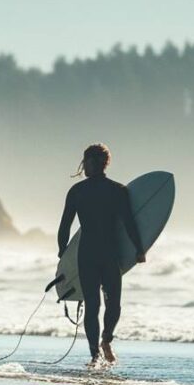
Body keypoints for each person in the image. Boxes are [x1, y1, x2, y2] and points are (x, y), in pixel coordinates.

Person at [57, 143, 145, 365]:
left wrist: (62, 252)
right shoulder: (112, 190)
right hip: (101, 254)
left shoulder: (104, 191)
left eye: (85, 161)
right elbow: (129, 225)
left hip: (95, 255)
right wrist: (138, 249)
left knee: (107, 305)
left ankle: (104, 342)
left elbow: (65, 227)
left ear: (96, 162)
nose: (83, 166)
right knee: (101, 305)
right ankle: (95, 352)